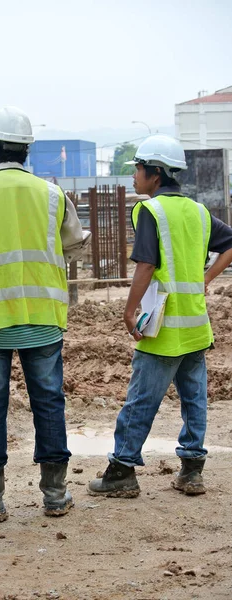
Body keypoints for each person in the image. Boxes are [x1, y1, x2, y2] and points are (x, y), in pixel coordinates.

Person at [0, 106, 90, 521]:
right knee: (49, 402)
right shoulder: (52, 195)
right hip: (43, 317)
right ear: (27, 151)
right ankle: (55, 493)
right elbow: (73, 242)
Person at [88, 134, 232, 498]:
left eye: (137, 168)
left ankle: (122, 469)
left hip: (163, 328)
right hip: (196, 326)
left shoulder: (151, 211)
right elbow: (230, 243)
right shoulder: (198, 212)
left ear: (155, 173)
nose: (133, 176)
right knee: (195, 399)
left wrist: (129, 307)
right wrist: (207, 278)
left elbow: (147, 264)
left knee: (141, 401)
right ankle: (192, 471)